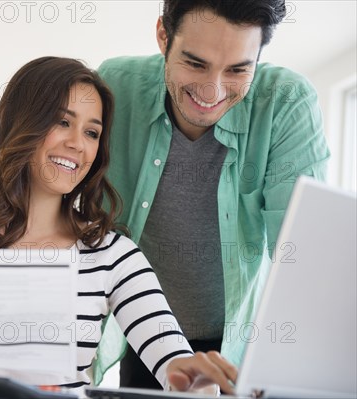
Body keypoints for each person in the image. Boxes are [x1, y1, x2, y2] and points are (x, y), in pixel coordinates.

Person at [0, 56, 238, 393]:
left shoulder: (111, 253)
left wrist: (193, 383)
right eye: (63, 122)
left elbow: (173, 359)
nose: (78, 144)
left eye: (92, 132)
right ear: (20, 124)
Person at [95, 0, 331, 389]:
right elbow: (74, 214)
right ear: (162, 36)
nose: (212, 90)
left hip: (240, 343)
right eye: (195, 63)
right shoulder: (115, 86)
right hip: (144, 335)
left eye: (238, 69)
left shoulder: (287, 101)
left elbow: (304, 256)